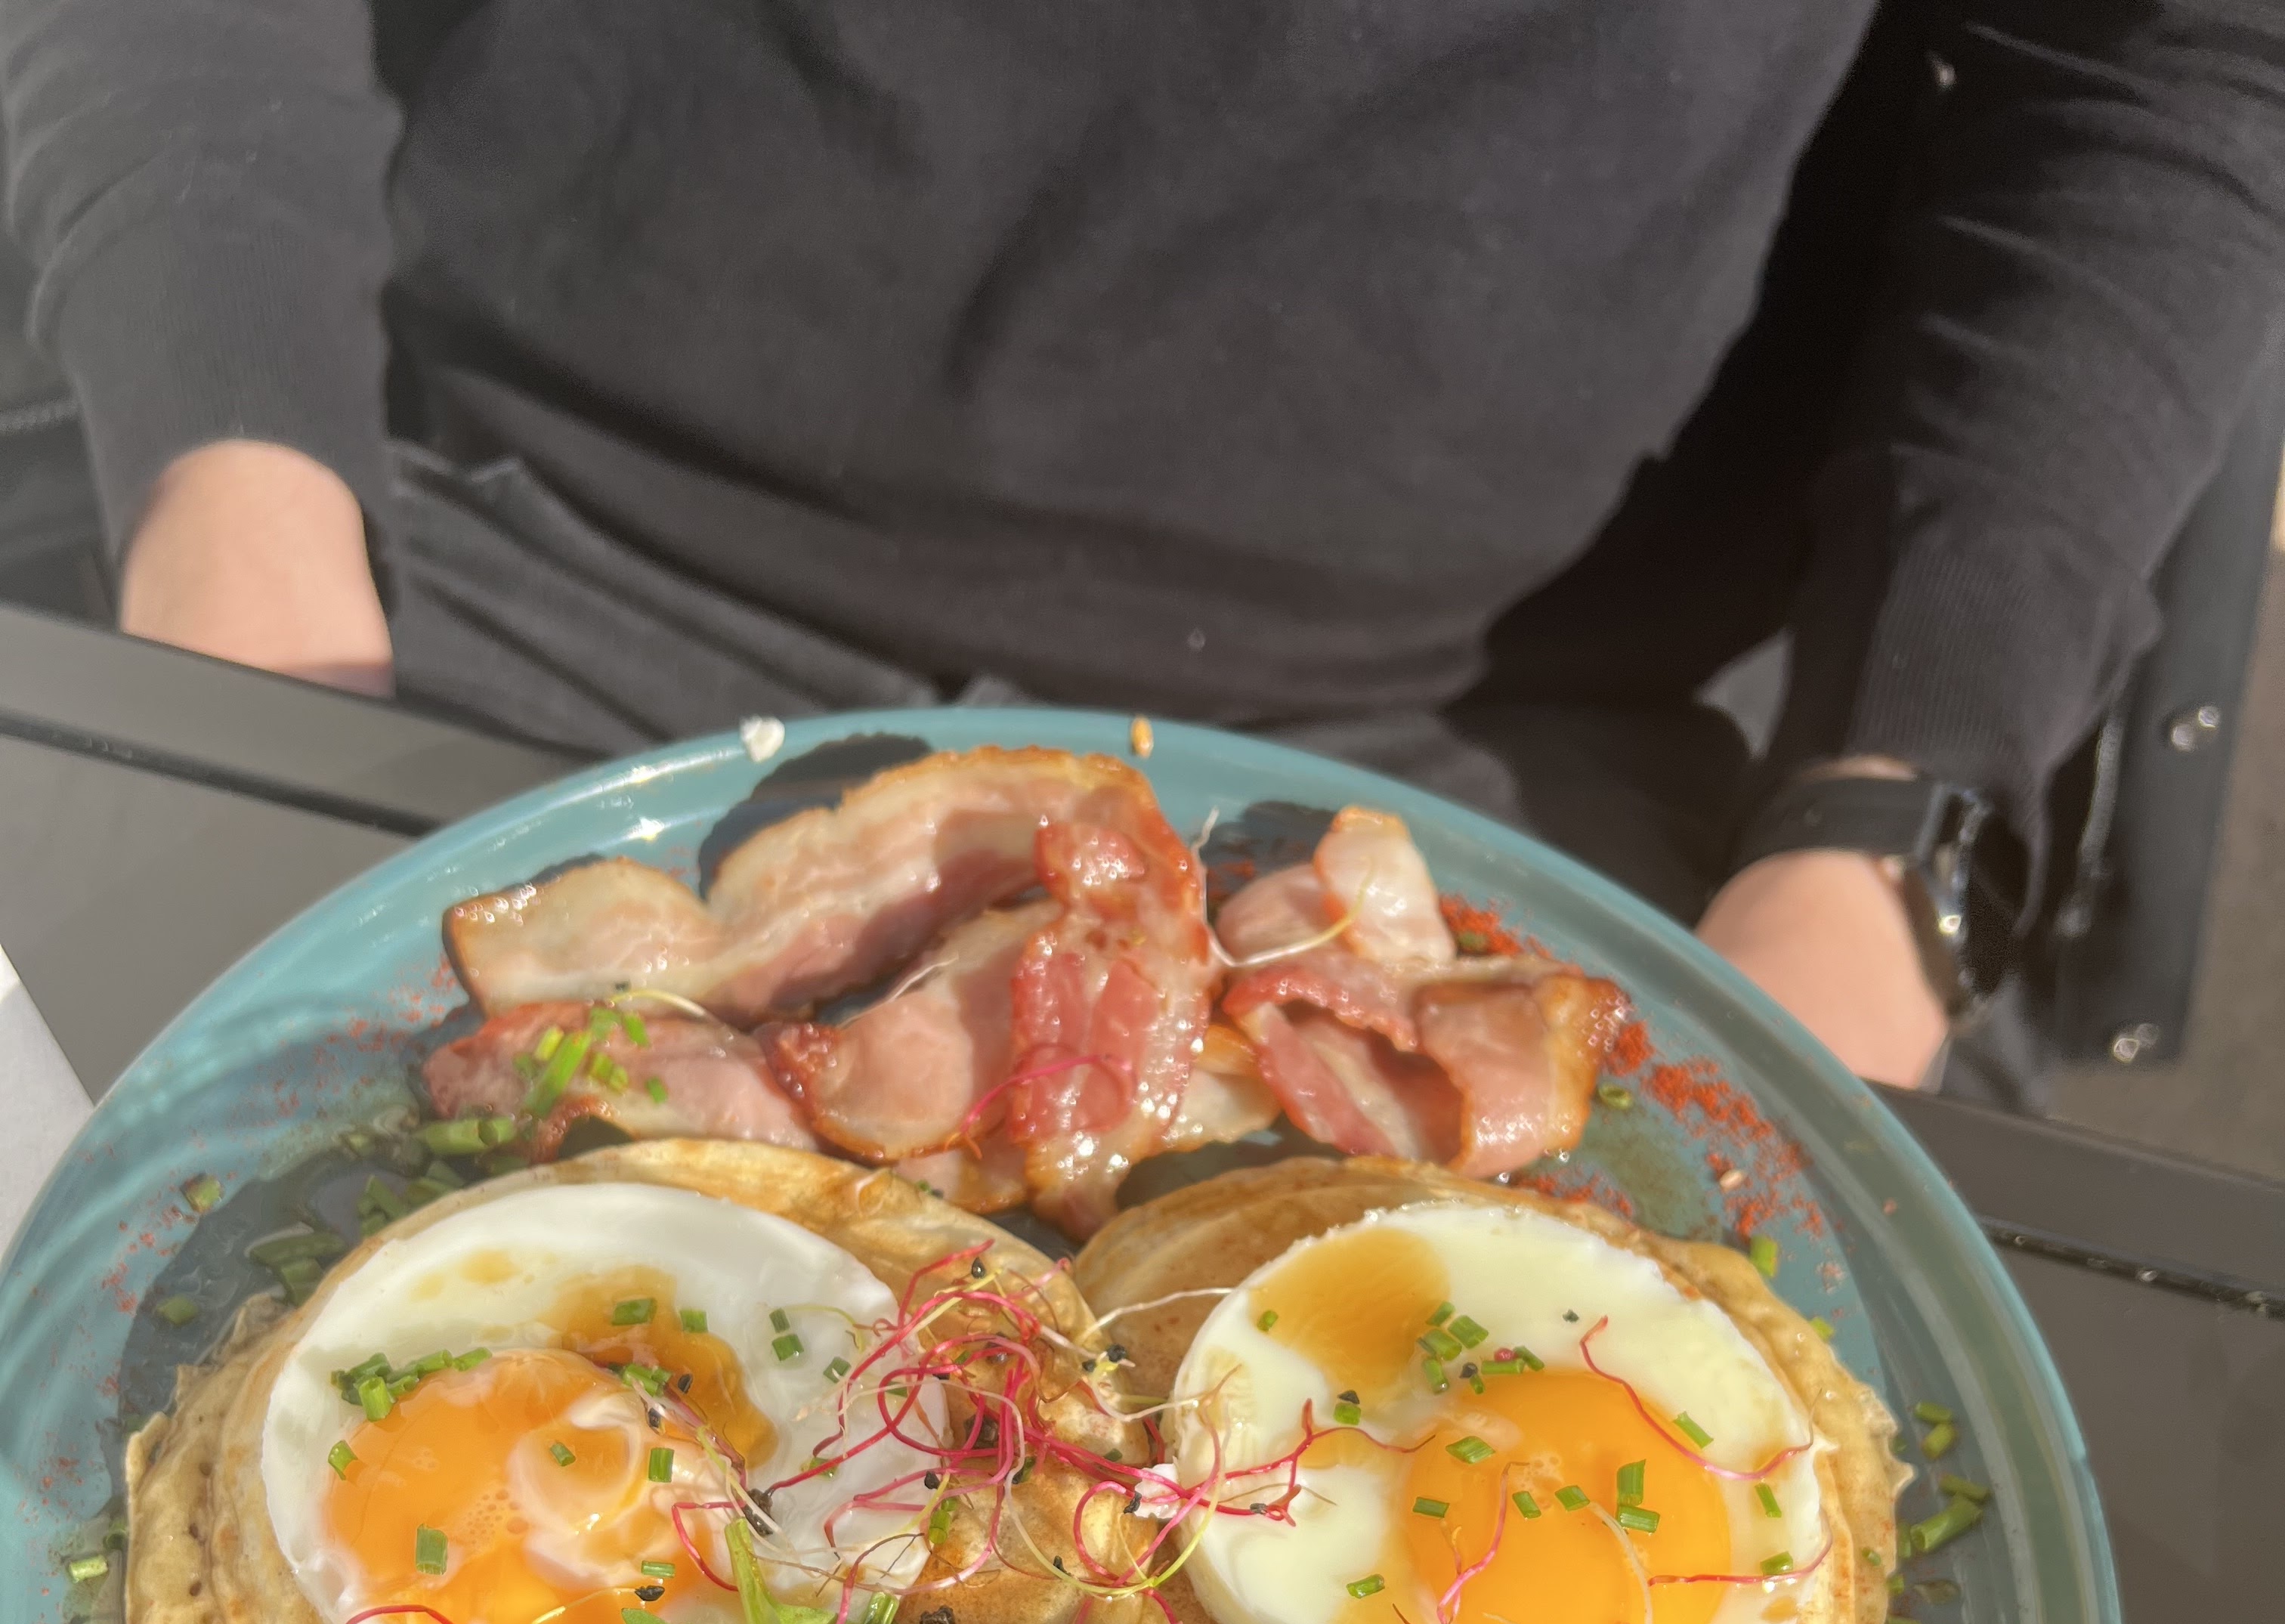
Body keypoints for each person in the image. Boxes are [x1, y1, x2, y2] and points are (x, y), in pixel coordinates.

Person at [2, 2, 2279, 1094]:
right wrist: (237, 579)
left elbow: (2166, 59)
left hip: (1476, 742)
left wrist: (1884, 834)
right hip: (469, 528)